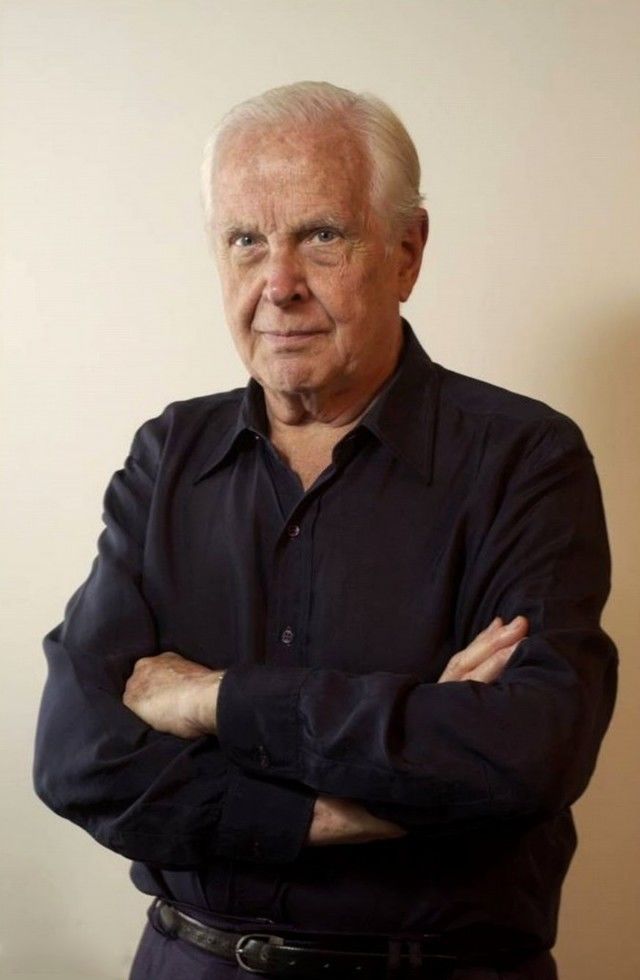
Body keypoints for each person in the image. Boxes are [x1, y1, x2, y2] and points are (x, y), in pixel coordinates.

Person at [34, 82, 617, 980]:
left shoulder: (525, 458)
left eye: (321, 236)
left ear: (407, 252)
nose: (278, 285)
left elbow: (529, 750)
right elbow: (77, 756)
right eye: (245, 240)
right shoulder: (168, 453)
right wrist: (354, 806)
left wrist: (214, 701)